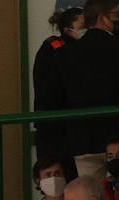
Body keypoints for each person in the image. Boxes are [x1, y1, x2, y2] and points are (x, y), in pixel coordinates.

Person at [57, 0, 119, 158]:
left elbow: (59, 93)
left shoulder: (66, 53)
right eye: (116, 15)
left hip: (83, 139)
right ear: (101, 18)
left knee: (87, 182)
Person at [31, 6, 83, 158]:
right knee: (53, 177)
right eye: (84, 27)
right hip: (53, 129)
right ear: (68, 30)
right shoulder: (52, 49)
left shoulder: (83, 50)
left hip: (75, 127)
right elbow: (48, 90)